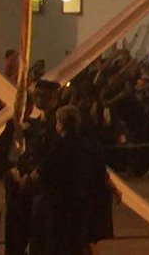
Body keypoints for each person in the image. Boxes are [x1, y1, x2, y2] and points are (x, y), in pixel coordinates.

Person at [29, 105, 113, 255]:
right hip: (86, 202)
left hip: (64, 204)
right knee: (83, 241)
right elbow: (100, 171)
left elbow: (45, 171)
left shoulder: (62, 146)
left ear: (60, 123)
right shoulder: (88, 144)